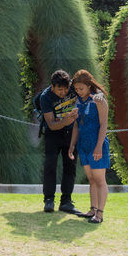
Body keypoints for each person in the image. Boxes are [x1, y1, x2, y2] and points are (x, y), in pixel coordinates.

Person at [67, 69, 110, 224]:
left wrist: (98, 147)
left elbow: (104, 124)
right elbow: (77, 126)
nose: (78, 92)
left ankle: (100, 214)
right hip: (83, 145)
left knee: (100, 180)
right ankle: (92, 209)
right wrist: (72, 145)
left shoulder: (99, 100)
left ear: (89, 86)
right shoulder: (78, 101)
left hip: (96, 144)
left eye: (81, 89)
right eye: (76, 89)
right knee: (91, 179)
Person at [37, 69, 80, 214]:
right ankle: (49, 200)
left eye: (66, 89)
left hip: (72, 133)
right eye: (60, 90)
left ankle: (66, 201)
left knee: (70, 166)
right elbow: (51, 124)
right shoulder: (45, 97)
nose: (64, 92)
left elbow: (90, 87)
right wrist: (66, 120)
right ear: (52, 86)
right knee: (50, 165)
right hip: (53, 134)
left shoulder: (74, 88)